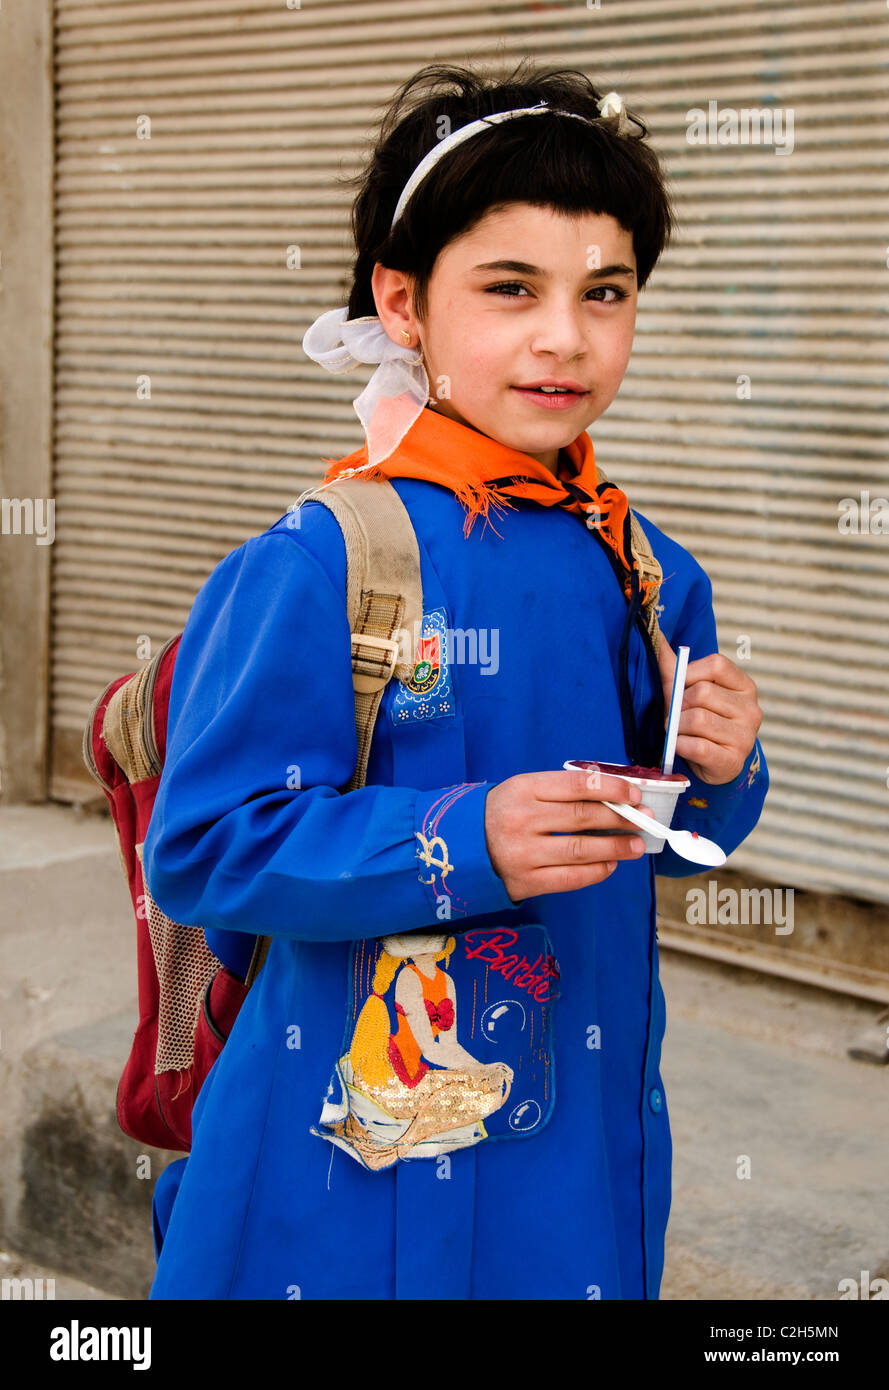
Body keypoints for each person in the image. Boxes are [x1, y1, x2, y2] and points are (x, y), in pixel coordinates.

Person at [143, 58, 767, 1301]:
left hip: (581, 1144)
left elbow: (679, 835)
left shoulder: (645, 567)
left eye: (606, 292)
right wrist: (458, 835)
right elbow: (206, 848)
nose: (564, 337)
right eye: (509, 288)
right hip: (347, 1154)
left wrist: (723, 766)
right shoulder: (325, 560)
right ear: (405, 301)